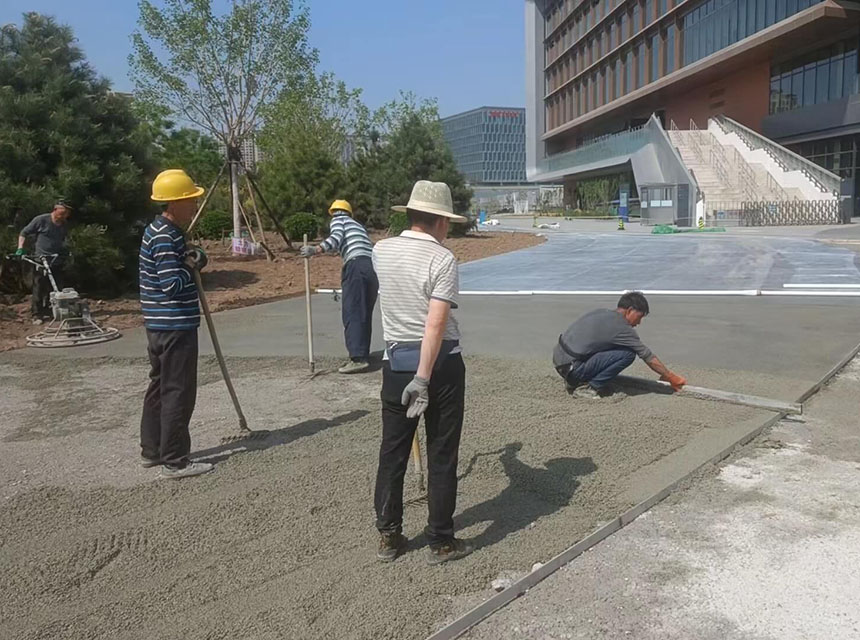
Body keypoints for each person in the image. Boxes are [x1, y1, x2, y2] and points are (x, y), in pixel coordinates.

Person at [372, 180, 473, 565]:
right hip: (440, 367)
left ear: (411, 215)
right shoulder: (442, 260)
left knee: (391, 453)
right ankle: (440, 541)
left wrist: (412, 375)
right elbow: (434, 325)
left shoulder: (382, 250)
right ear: (441, 222)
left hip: (395, 363)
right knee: (442, 453)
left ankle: (389, 535)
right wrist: (424, 379)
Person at [139, 169, 212, 480]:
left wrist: (192, 256)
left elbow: (178, 263)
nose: (195, 205)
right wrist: (192, 265)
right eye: (192, 200)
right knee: (178, 391)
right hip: (174, 325)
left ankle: (152, 449)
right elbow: (171, 283)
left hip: (158, 324)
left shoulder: (156, 230)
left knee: (159, 386)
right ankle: (175, 459)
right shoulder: (167, 236)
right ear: (177, 202)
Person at [553, 292, 687, 398]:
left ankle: (575, 379)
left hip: (560, 361)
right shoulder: (622, 328)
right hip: (573, 368)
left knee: (615, 348)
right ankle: (589, 388)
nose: (638, 323)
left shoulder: (601, 312)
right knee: (627, 354)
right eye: (639, 317)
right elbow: (647, 355)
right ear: (630, 311)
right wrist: (670, 377)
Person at [300, 199, 377, 374]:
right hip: (372, 268)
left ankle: (358, 358)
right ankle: (362, 353)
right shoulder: (358, 226)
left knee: (353, 311)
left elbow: (335, 238)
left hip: (356, 266)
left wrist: (316, 249)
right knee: (364, 312)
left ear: (335, 212)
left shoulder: (339, 220)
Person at [16, 201, 72, 323]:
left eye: (66, 214)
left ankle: (50, 309)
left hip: (56, 259)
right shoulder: (41, 220)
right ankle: (36, 314)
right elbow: (24, 233)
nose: (63, 217)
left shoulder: (64, 224)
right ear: (55, 210)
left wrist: (66, 250)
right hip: (41, 259)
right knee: (39, 286)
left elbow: (63, 239)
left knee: (56, 286)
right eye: (61, 214)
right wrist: (20, 248)